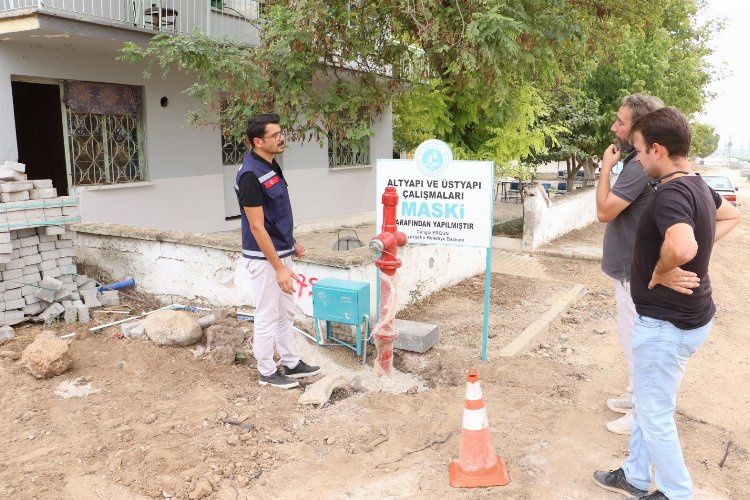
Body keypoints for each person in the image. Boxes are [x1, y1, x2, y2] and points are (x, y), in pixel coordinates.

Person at [593, 107, 740, 500]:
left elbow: (682, 244)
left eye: (640, 152)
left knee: (655, 415)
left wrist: (660, 271)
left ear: (657, 149)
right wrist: (690, 255)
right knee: (649, 400)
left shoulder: (672, 193)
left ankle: (677, 494)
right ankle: (636, 476)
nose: (638, 160)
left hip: (665, 323)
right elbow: (731, 216)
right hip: (684, 319)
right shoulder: (697, 185)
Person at [235, 113, 320, 389]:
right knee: (267, 313)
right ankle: (266, 370)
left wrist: (290, 241)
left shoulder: (270, 166)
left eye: (282, 133)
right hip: (264, 259)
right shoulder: (250, 174)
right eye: (275, 135)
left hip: (280, 250)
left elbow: (276, 213)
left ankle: (291, 363)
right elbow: (257, 227)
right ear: (257, 141)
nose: (281, 138)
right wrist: (279, 267)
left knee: (286, 312)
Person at [596, 94, 665, 435]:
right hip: (628, 268)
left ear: (639, 126)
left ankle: (641, 412)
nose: (614, 127)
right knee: (631, 338)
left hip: (632, 271)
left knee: (639, 342)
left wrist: (606, 169)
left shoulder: (639, 166)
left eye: (621, 122)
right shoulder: (640, 161)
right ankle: (633, 396)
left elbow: (604, 211)